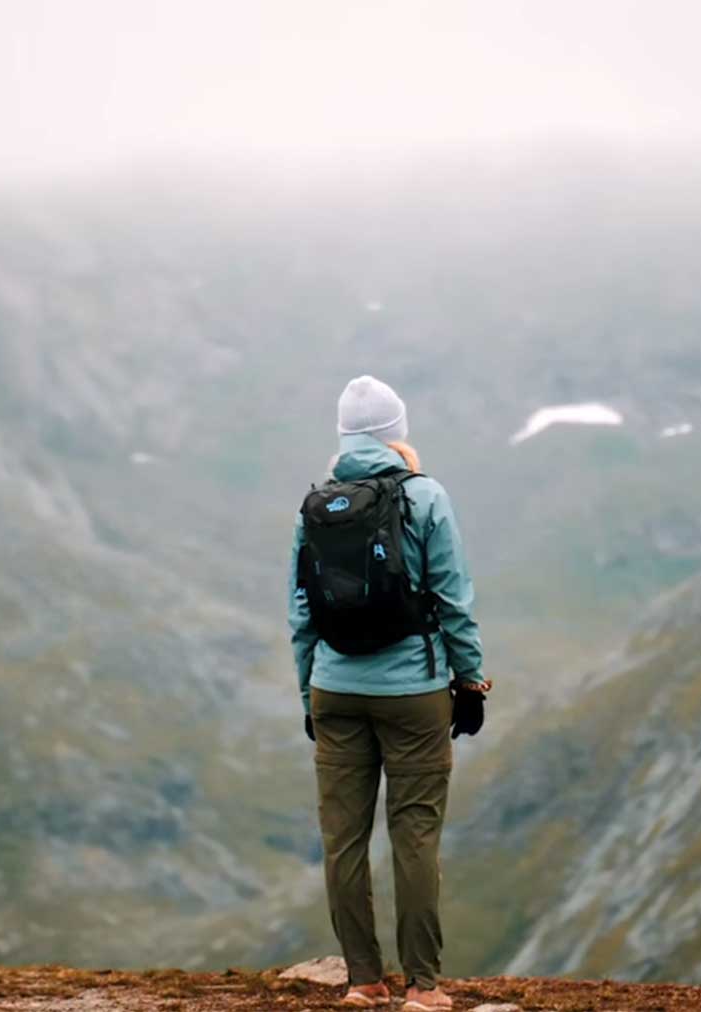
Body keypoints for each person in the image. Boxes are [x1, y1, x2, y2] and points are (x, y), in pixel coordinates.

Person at [289, 375, 489, 1012]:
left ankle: (362, 981)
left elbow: (302, 613)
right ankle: (424, 988)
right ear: (395, 432)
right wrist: (470, 681)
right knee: (415, 836)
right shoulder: (426, 497)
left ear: (346, 436)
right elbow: (454, 598)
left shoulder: (317, 505)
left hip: (333, 689)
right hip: (414, 695)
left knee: (343, 840)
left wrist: (307, 696)